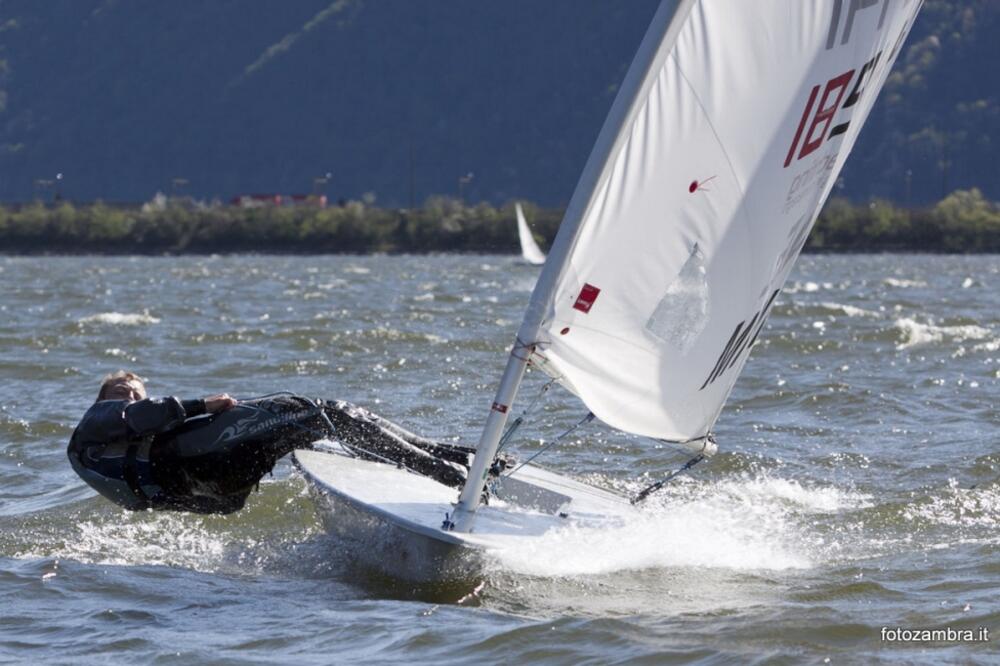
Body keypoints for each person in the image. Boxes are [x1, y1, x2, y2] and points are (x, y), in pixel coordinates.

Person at [68, 370, 478, 514]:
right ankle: (450, 468)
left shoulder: (105, 457)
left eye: (136, 391)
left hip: (216, 481)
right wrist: (203, 405)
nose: (130, 395)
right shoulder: (96, 421)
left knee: (312, 429)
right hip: (200, 463)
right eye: (121, 390)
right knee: (321, 412)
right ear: (103, 398)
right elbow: (141, 413)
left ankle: (445, 459)